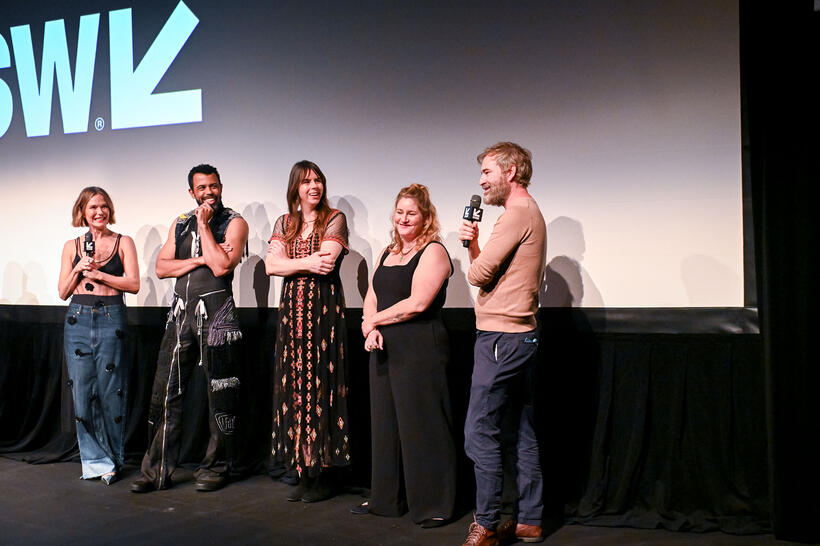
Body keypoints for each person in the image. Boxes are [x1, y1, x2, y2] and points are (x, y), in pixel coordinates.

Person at [131, 164, 249, 493]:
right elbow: (161, 267)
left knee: (220, 393)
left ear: (221, 186)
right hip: (180, 314)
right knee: (165, 392)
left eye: (213, 186)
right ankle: (157, 469)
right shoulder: (180, 223)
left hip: (218, 316)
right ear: (191, 192)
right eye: (202, 188)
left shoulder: (235, 222)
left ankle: (216, 467)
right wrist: (198, 260)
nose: (208, 192)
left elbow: (223, 264)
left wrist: (205, 227)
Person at [458, 142, 547, 545]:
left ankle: (488, 524)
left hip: (501, 338)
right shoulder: (529, 212)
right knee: (521, 429)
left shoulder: (515, 215)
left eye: (488, 172)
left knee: (479, 431)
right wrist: (475, 243)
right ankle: (528, 518)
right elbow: (494, 271)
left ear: (510, 172)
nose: (482, 181)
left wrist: (471, 253)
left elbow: (478, 275)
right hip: (520, 335)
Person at [353, 183, 457, 528]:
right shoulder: (386, 251)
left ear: (426, 217)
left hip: (420, 346)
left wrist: (373, 320)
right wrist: (371, 328)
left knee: (422, 425)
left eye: (412, 213)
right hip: (383, 344)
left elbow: (418, 303)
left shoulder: (434, 251)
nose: (404, 218)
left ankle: (434, 504)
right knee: (385, 425)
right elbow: (373, 294)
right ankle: (386, 499)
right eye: (399, 212)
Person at [266, 160, 351, 503]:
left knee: (320, 384)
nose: (313, 186)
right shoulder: (285, 222)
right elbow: (272, 265)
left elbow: (326, 262)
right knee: (295, 388)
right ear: (295, 188)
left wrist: (291, 264)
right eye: (306, 182)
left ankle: (323, 472)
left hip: (322, 315)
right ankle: (301, 468)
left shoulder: (334, 219)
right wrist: (304, 263)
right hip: (291, 318)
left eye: (318, 180)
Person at [58, 187, 140, 485]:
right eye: (92, 207)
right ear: (82, 211)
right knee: (82, 393)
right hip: (77, 318)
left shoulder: (123, 242)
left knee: (111, 391)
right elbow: (63, 291)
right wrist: (79, 269)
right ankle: (94, 461)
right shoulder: (72, 246)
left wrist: (101, 275)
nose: (99, 212)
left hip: (111, 317)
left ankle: (114, 460)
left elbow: (133, 284)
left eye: (104, 206)